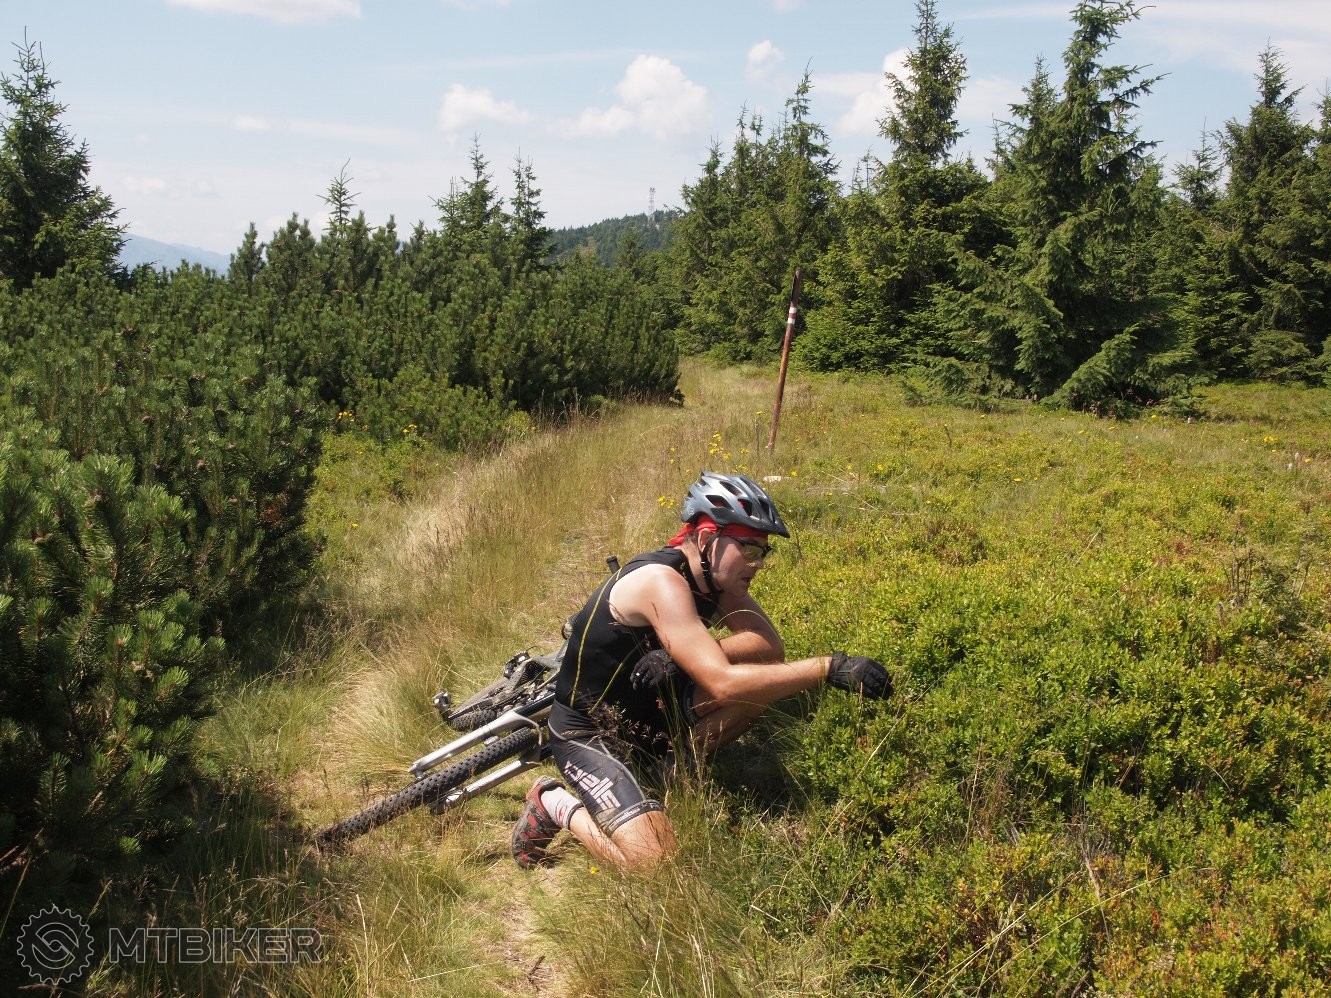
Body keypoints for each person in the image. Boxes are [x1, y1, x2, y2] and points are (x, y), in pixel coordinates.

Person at [510, 471, 891, 870]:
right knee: (655, 864)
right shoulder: (660, 581)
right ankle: (552, 803)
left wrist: (682, 657)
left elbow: (768, 646)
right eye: (749, 548)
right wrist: (828, 667)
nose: (758, 563)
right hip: (588, 730)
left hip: (650, 711)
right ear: (708, 538)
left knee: (759, 688)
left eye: (764, 552)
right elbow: (723, 684)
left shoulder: (716, 580)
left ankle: (668, 771)